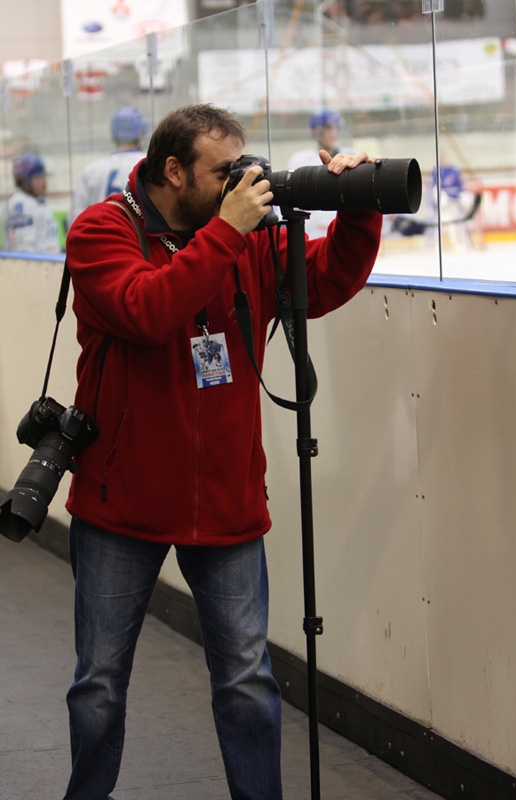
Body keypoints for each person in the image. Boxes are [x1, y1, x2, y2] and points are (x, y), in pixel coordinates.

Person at [62, 103, 382, 800]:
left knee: (245, 681)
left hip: (227, 502)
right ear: (171, 171)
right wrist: (227, 232)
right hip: (124, 502)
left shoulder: (244, 237)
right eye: (222, 172)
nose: (241, 183)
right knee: (98, 686)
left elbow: (320, 284)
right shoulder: (101, 231)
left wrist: (357, 211)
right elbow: (146, 311)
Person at [286, 109, 356, 239]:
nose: (334, 132)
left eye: (336, 127)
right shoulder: (299, 160)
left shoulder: (352, 155)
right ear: (316, 131)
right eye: (328, 128)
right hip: (311, 235)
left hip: (344, 232)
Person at [71, 106, 149, 219]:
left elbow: (75, 219)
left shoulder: (90, 171)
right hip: (134, 235)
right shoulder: (148, 165)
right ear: (139, 135)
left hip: (98, 235)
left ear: (114, 135)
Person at [3, 153, 60, 253]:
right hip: (36, 267)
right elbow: (23, 250)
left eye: (44, 176)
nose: (44, 182)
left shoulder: (35, 201)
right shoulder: (20, 204)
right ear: (23, 180)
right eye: (38, 177)